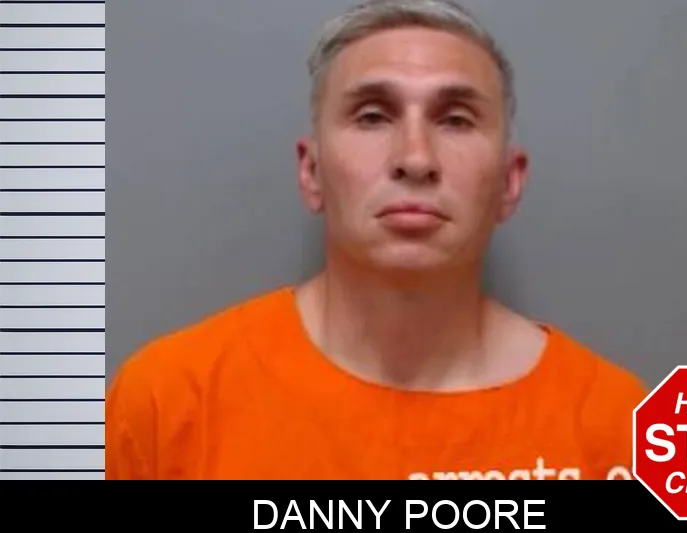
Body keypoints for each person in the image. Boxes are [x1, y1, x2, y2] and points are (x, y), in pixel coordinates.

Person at [106, 0, 648, 481]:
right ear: (312, 173)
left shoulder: (624, 428)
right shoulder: (167, 403)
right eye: (372, 117)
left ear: (509, 182)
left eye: (456, 120)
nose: (415, 158)